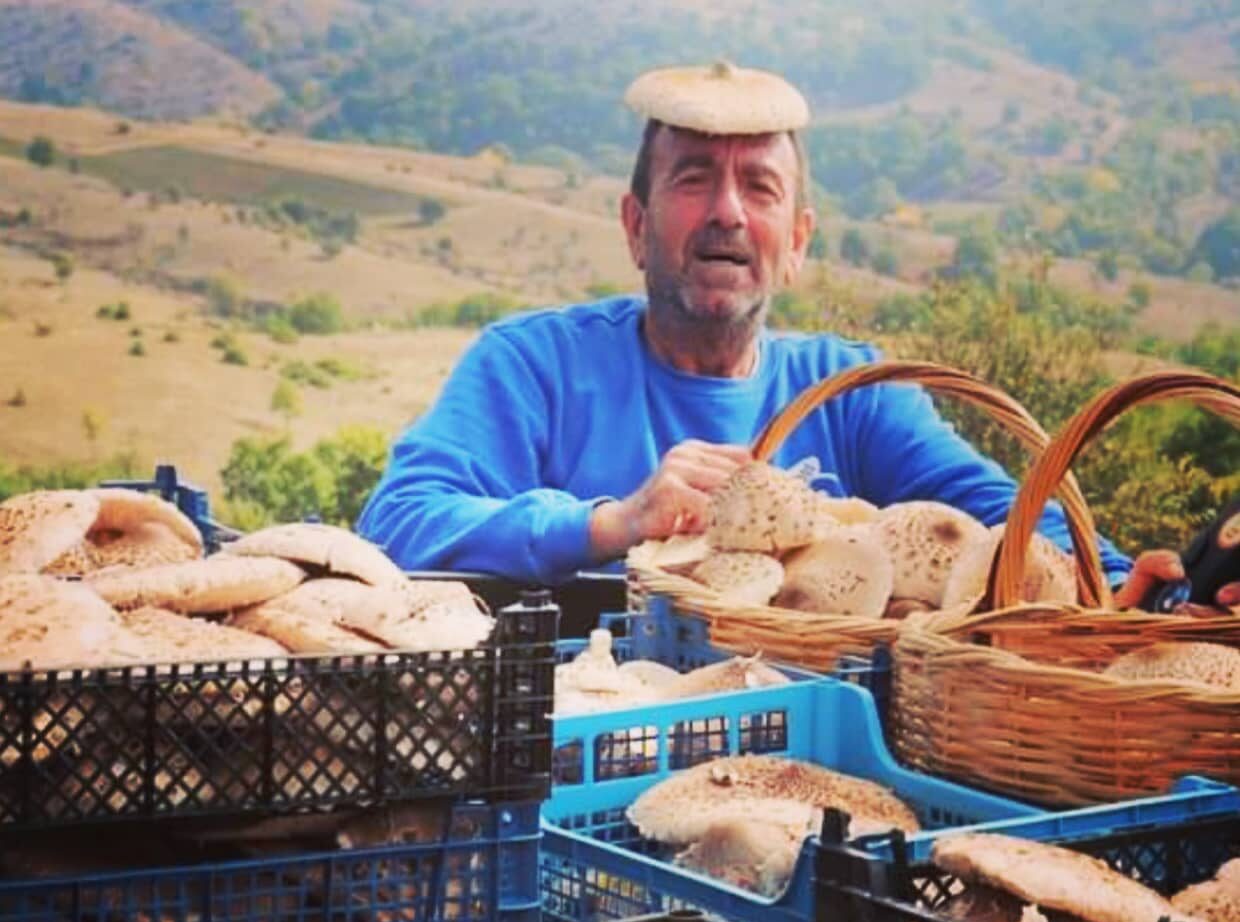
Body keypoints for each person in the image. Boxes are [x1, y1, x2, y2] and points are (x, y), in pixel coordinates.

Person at [358, 61, 1238, 611]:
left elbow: (999, 508)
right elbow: (399, 520)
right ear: (635, 225)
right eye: (693, 179)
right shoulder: (533, 364)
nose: (728, 213)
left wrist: (1118, 582)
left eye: (760, 189)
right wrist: (613, 521)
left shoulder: (853, 393)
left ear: (799, 242)